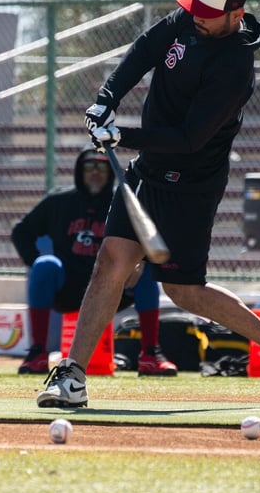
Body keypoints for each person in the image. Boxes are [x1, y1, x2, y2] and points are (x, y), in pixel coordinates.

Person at [36, 0, 260, 409]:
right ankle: (71, 376)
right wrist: (107, 99)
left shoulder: (235, 67)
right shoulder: (190, 17)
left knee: (184, 291)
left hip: (192, 185)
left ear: (236, 13)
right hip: (147, 172)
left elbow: (190, 139)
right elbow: (144, 49)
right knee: (111, 261)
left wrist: (121, 135)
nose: (197, 17)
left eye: (208, 13)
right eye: (196, 7)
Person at [11, 147, 178, 376]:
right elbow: (21, 231)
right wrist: (34, 260)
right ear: (80, 171)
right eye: (89, 166)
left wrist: (142, 261)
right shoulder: (59, 201)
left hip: (113, 287)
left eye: (101, 165)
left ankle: (150, 355)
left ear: (110, 171)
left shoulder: (122, 202)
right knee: (45, 266)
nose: (95, 172)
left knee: (146, 271)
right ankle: (37, 353)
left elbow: (151, 238)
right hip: (67, 287)